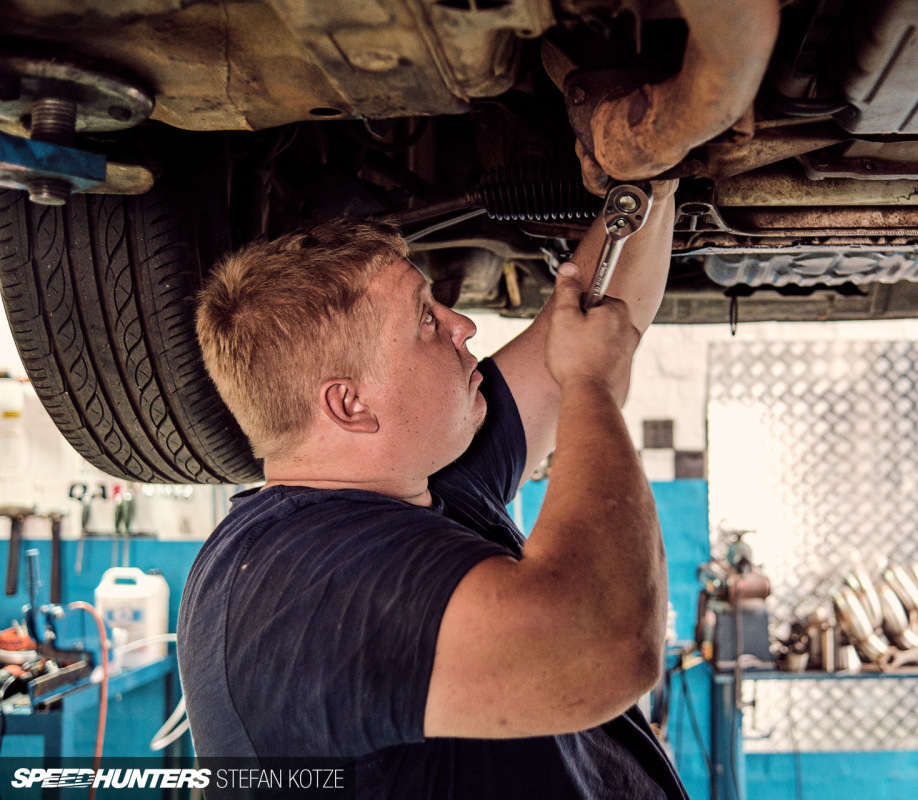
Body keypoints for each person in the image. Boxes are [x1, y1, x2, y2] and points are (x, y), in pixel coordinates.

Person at [176, 180, 688, 799]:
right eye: (426, 318)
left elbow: (590, 320)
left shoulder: (421, 478)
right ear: (350, 404)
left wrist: (650, 183)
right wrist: (593, 388)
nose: (463, 325)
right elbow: (607, 644)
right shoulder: (299, 583)